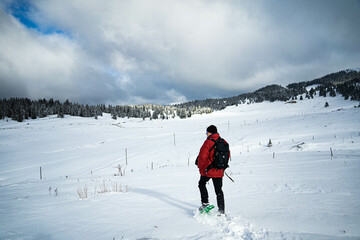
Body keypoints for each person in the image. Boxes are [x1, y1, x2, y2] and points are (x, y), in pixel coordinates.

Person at [196, 125, 229, 214]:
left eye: (207, 133)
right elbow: (227, 155)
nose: (206, 134)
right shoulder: (223, 141)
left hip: (209, 170)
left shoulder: (208, 142)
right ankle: (221, 210)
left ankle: (205, 203)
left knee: (201, 184)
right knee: (219, 190)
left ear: (210, 132)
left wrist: (201, 168)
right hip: (219, 170)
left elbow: (202, 157)